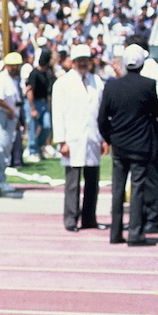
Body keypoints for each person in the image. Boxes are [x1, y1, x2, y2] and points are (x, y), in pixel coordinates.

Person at [98, 44, 158, 246]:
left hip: (119, 145)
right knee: (137, 189)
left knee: (117, 190)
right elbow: (157, 111)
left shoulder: (111, 86)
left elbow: (101, 119)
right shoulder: (148, 85)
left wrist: (110, 138)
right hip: (141, 145)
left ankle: (115, 233)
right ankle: (135, 233)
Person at [51, 44, 108, 232]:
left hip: (92, 136)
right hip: (72, 138)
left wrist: (103, 138)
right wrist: (61, 141)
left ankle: (89, 218)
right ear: (73, 62)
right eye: (79, 60)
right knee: (73, 182)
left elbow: (101, 112)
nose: (83, 63)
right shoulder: (62, 83)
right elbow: (57, 113)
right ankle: (71, 219)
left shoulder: (97, 82)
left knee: (93, 182)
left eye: (86, 60)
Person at [0, 51, 24, 193]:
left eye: (17, 66)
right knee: (2, 147)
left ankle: (0, 178)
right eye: (13, 66)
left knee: (7, 148)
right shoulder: (2, 78)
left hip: (11, 117)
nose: (15, 68)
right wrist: (11, 110)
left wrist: (16, 117)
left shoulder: (13, 79)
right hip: (3, 115)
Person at [24, 47, 54, 161]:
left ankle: (38, 147)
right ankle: (32, 150)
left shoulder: (47, 73)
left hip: (43, 102)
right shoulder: (34, 73)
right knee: (33, 127)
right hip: (34, 102)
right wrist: (32, 108)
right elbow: (30, 90)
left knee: (46, 126)